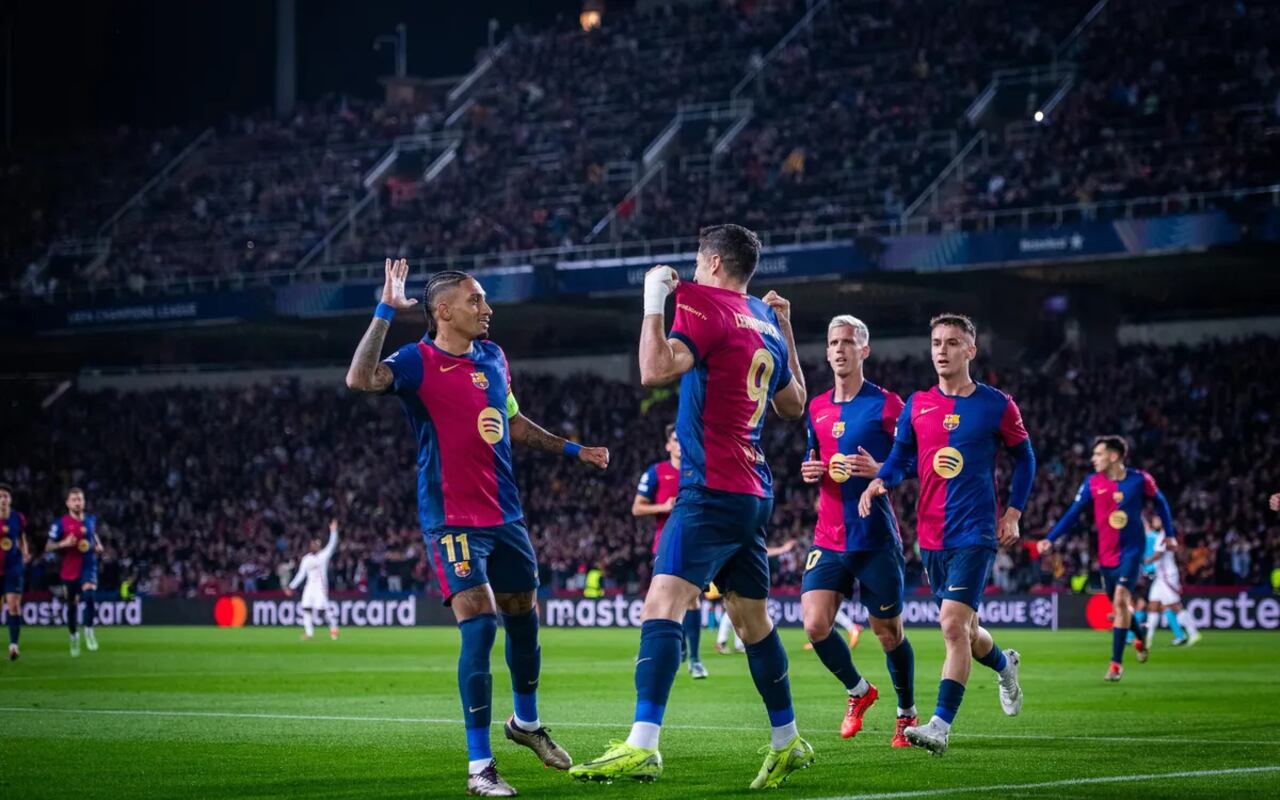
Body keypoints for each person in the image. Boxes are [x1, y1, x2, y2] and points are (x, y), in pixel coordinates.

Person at [345, 259, 609, 797]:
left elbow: (511, 421)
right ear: (443, 311)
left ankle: (526, 724)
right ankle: (480, 767)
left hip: (505, 514)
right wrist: (384, 312)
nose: (487, 309)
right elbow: (360, 379)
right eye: (475, 300)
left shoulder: (493, 357)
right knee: (481, 624)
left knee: (524, 618)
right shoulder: (416, 361)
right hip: (451, 518)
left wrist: (573, 450)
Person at [571, 224, 812, 789]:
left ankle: (642, 744)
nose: (694, 270)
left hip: (711, 488)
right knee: (752, 621)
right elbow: (795, 404)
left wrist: (653, 300)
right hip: (753, 491)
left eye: (698, 262)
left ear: (714, 263)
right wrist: (787, 331)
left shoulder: (703, 300)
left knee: (662, 603)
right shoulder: (764, 320)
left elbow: (654, 370)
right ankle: (788, 740)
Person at [859, 313, 1032, 756]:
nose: (942, 350)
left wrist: (1013, 514)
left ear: (970, 350)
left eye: (952, 342)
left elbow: (1025, 459)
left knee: (952, 625)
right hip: (931, 536)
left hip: (976, 532)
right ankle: (1005, 665)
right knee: (968, 633)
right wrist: (881, 480)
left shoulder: (997, 405)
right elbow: (901, 458)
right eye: (937, 342)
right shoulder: (917, 405)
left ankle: (939, 725)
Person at [799, 315, 917, 747]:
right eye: (833, 342)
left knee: (888, 633)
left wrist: (881, 469)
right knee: (815, 625)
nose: (839, 349)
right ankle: (859, 691)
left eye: (848, 342)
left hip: (874, 538)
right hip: (828, 536)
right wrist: (810, 468)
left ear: (864, 350)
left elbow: (917, 460)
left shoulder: (887, 405)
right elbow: (813, 454)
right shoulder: (816, 407)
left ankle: (906, 713)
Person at [1040, 436, 1175, 681]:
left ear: (1114, 456)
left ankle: (1115, 665)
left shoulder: (1140, 479)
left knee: (1121, 600)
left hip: (1132, 551)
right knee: (1119, 605)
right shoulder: (1092, 483)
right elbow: (1073, 513)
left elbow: (1161, 503)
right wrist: (1051, 538)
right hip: (1106, 555)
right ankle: (1140, 636)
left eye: (1098, 454)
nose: (1094, 459)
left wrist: (1171, 535)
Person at [633, 423, 707, 679]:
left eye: (682, 438)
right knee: (660, 599)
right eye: (675, 439)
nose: (679, 443)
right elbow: (637, 508)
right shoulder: (656, 472)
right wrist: (662, 507)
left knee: (693, 597)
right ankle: (676, 648)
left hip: (695, 542)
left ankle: (695, 659)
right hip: (665, 544)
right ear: (668, 445)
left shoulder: (698, 470)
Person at [47, 488, 104, 657]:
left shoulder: (91, 519)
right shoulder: (60, 523)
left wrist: (98, 545)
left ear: (84, 501)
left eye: (80, 499)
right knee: (72, 606)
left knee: (90, 596)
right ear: (68, 503)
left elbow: (93, 534)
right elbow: (48, 546)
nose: (78, 502)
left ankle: (89, 631)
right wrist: (63, 543)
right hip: (70, 569)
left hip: (88, 565)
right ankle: (73, 636)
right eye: (74, 500)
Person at [1142, 515, 1201, 649]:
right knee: (1152, 605)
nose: (1155, 522)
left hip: (1168, 577)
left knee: (1175, 606)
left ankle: (1193, 633)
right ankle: (1147, 639)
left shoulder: (1164, 535)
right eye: (1154, 520)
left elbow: (1158, 555)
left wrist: (1144, 562)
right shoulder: (1162, 535)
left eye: (1158, 520)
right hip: (1160, 577)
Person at [283, 520, 340, 641]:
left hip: (320, 587)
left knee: (322, 611)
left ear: (319, 547)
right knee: (306, 608)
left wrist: (333, 531)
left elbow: (332, 544)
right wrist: (291, 586)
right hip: (309, 586)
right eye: (312, 544)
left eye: (316, 545)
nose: (313, 546)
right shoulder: (306, 559)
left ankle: (334, 627)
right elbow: (301, 574)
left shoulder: (323, 556)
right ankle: (309, 633)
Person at [0, 484, 30, 660]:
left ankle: (13, 645)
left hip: (13, 567)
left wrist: (25, 551)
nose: (2, 499)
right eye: (0, 496)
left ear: (10, 500)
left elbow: (22, 536)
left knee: (14, 606)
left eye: (5, 496)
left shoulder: (18, 517)